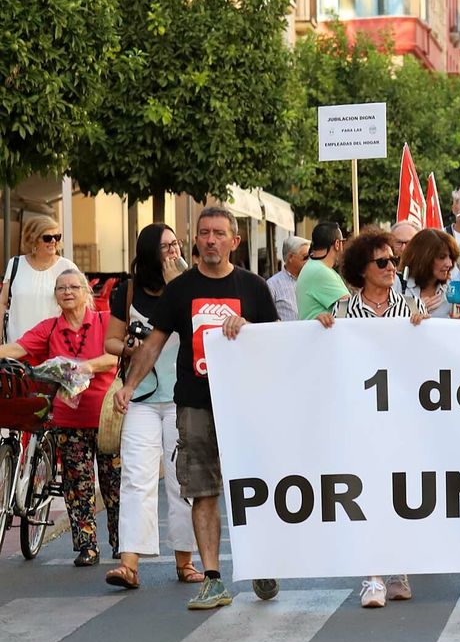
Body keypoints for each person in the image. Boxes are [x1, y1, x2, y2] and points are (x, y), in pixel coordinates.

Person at [117, 206, 279, 610]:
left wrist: (249, 332)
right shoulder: (181, 289)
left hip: (245, 406)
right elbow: (153, 343)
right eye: (204, 233)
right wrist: (129, 385)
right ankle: (212, 578)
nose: (210, 240)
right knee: (203, 491)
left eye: (219, 233)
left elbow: (276, 345)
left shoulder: (254, 288)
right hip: (195, 403)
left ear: (234, 241)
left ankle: (260, 561)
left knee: (250, 487)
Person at [314, 230, 428, 606]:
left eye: (393, 261)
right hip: (361, 418)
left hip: (403, 418)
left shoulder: (411, 307)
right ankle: (373, 575)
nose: (391, 267)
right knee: (368, 491)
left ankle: (400, 568)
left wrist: (424, 328)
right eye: (382, 262)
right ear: (362, 270)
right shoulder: (344, 312)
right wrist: (323, 330)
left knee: (401, 492)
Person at [0, 266, 121, 569]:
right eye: (61, 288)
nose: (67, 292)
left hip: (106, 416)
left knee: (114, 483)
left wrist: (85, 367)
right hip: (68, 418)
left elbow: (116, 356)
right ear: (56, 296)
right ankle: (87, 547)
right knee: (77, 485)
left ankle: (121, 544)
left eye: (73, 287)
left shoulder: (105, 321)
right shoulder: (50, 328)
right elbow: (18, 348)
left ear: (85, 293)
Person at [102, 225, 197, 588]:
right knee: (136, 478)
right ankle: (129, 563)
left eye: (176, 244)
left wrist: (178, 285)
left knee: (181, 480)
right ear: (149, 252)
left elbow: (197, 330)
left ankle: (185, 560)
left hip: (182, 396)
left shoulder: (189, 284)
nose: (174, 251)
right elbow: (110, 340)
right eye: (167, 246)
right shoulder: (127, 292)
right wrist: (129, 348)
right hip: (141, 396)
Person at [1, 216, 77, 344]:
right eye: (47, 238)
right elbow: (3, 302)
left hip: (54, 344)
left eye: (57, 237)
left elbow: (79, 306)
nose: (53, 241)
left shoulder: (67, 267)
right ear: (33, 239)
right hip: (17, 344)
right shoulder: (15, 264)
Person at [402, 228, 460, 319]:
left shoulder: (451, 291)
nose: (449, 264)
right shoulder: (399, 284)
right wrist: (414, 309)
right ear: (423, 258)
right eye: (442, 257)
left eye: (451, 257)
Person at [296, 221, 348, 321]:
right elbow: (349, 306)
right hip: (321, 335)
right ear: (337, 244)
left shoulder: (314, 267)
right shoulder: (319, 272)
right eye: (342, 242)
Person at [267, 235, 309, 322]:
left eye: (310, 257)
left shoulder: (313, 281)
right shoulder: (272, 285)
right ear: (290, 257)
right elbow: (266, 319)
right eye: (305, 257)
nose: (309, 261)